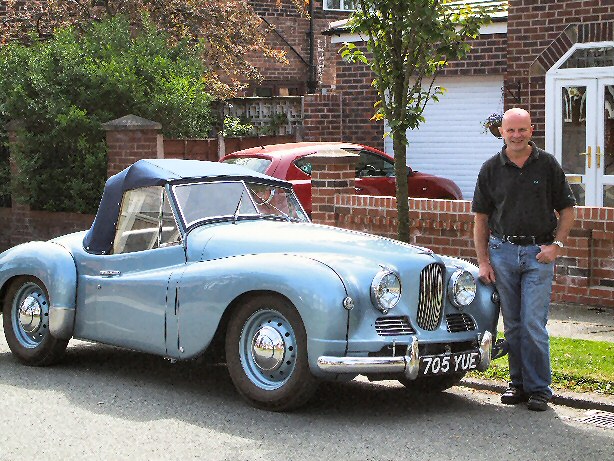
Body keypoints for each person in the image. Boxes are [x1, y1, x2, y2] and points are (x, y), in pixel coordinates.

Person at [472, 108, 576, 411]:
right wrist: (484, 262)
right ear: (501, 132)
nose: (516, 136)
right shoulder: (491, 168)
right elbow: (481, 219)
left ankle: (540, 388)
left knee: (533, 323)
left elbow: (568, 210)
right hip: (502, 253)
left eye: (522, 130)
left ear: (532, 130)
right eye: (510, 130)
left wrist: (556, 245)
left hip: (537, 255)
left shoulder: (547, 165)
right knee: (513, 325)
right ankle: (517, 384)